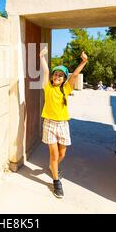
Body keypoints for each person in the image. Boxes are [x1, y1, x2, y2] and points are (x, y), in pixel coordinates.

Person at [39, 46, 88, 199]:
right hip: (49, 124)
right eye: (56, 74)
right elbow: (46, 71)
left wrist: (84, 62)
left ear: (64, 79)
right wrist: (42, 56)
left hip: (63, 125)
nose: (57, 76)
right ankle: (56, 182)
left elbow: (74, 76)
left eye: (61, 75)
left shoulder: (65, 89)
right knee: (54, 155)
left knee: (62, 154)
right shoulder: (47, 87)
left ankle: (53, 167)